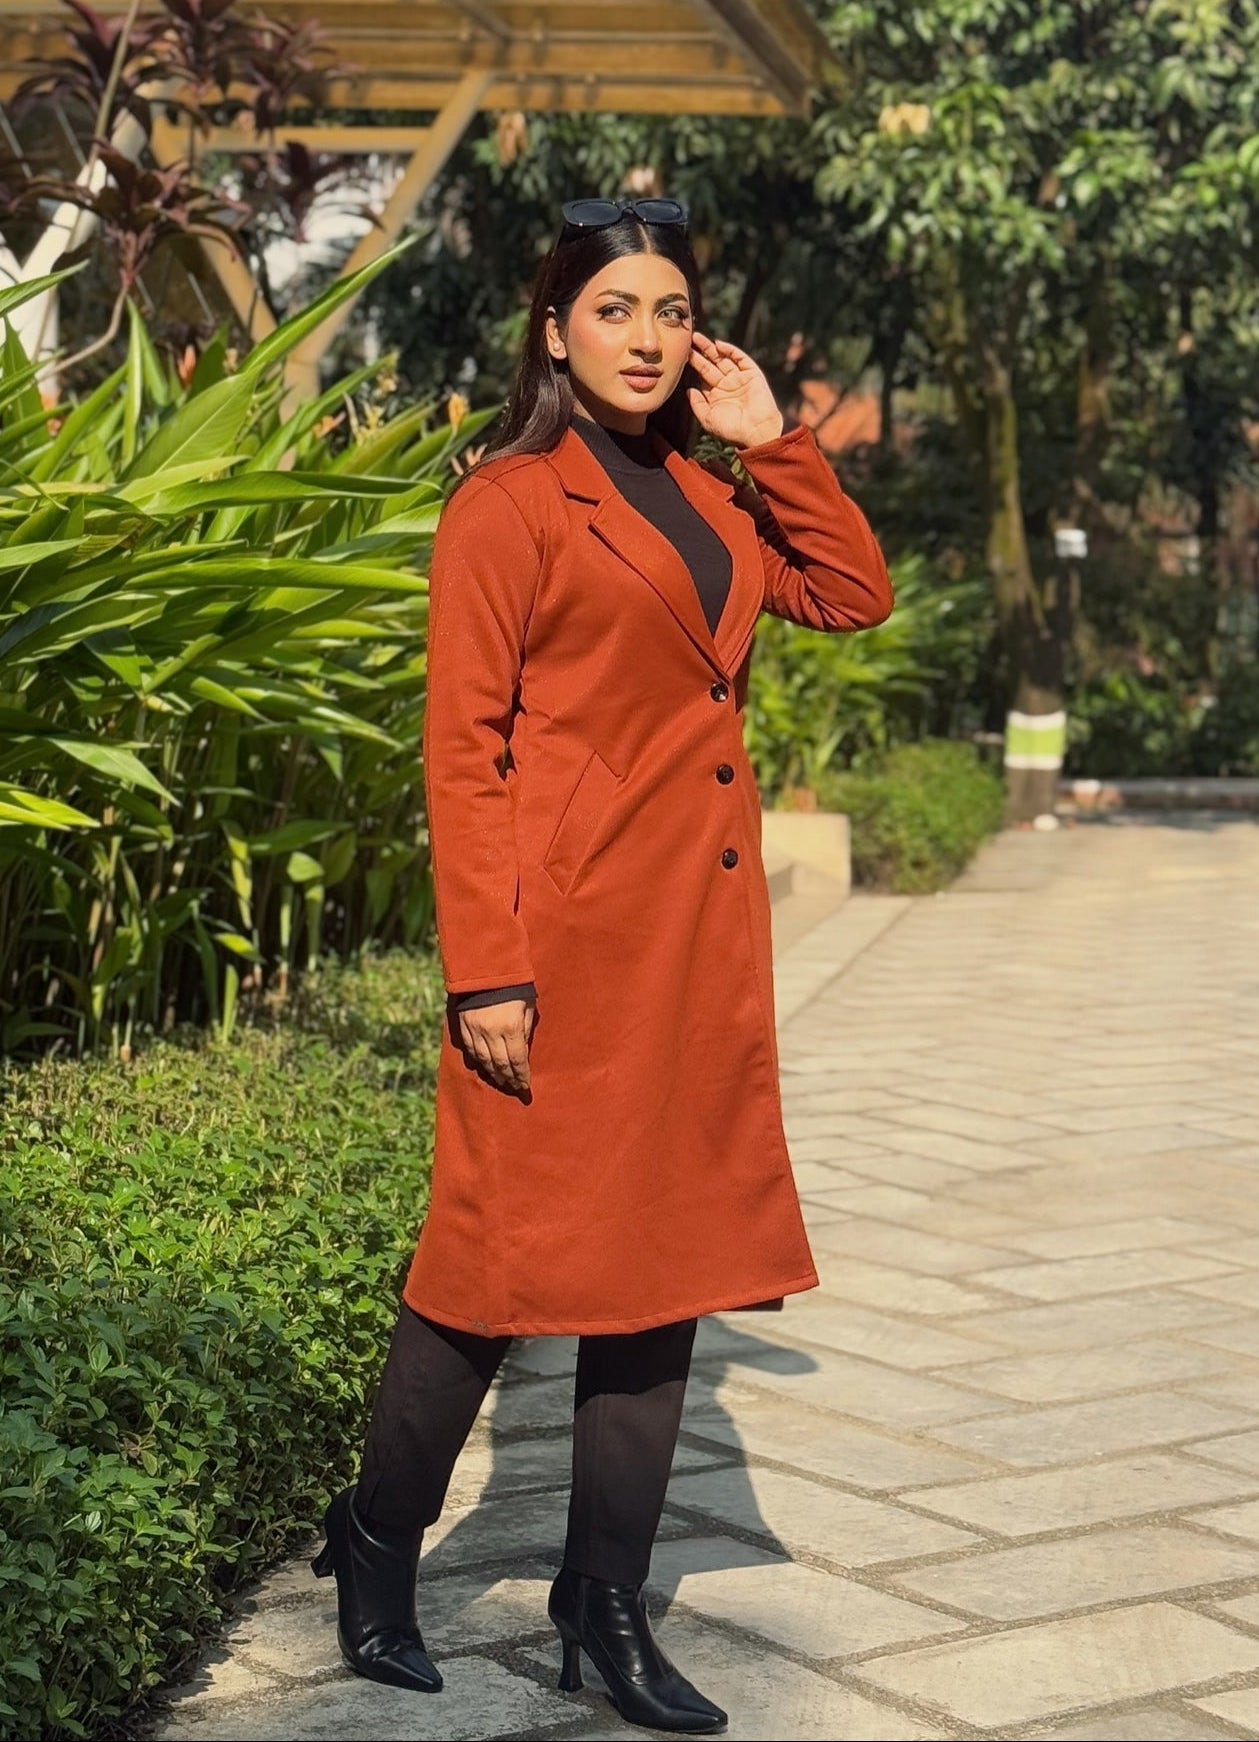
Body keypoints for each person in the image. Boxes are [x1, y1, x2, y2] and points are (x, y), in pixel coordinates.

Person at [311, 195, 893, 1735]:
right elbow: (465, 750)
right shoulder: (506, 505)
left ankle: (603, 1609)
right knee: (488, 1274)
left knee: (665, 1277)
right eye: (615, 308)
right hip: (556, 957)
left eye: (670, 308)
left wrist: (773, 439)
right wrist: (486, 969)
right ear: (556, 330)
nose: (646, 338)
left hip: (694, 953)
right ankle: (376, 1541)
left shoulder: (714, 500)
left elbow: (849, 591)